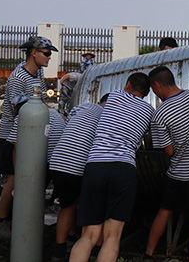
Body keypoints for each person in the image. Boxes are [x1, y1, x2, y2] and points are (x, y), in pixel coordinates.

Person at [69, 73, 155, 262]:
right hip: (123, 169)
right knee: (112, 236)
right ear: (147, 93)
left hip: (96, 166)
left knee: (88, 236)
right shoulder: (149, 111)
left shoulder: (115, 96)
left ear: (128, 85)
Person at [144, 66, 189, 262]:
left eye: (153, 89)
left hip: (179, 174)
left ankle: (148, 254)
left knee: (164, 212)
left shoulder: (160, 114)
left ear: (157, 85)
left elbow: (168, 150)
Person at [0, 35, 53, 233]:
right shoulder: (18, 77)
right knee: (14, 179)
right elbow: (16, 110)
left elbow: (42, 97)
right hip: (13, 135)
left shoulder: (39, 72)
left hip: (32, 133)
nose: (49, 57)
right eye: (46, 53)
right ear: (33, 53)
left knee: (28, 176)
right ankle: (2, 221)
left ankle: (20, 215)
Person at [49, 94, 108, 262]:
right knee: (89, 207)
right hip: (78, 166)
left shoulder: (82, 107)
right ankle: (90, 249)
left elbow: (68, 127)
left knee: (66, 205)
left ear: (98, 102)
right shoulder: (107, 116)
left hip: (58, 161)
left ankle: (59, 250)